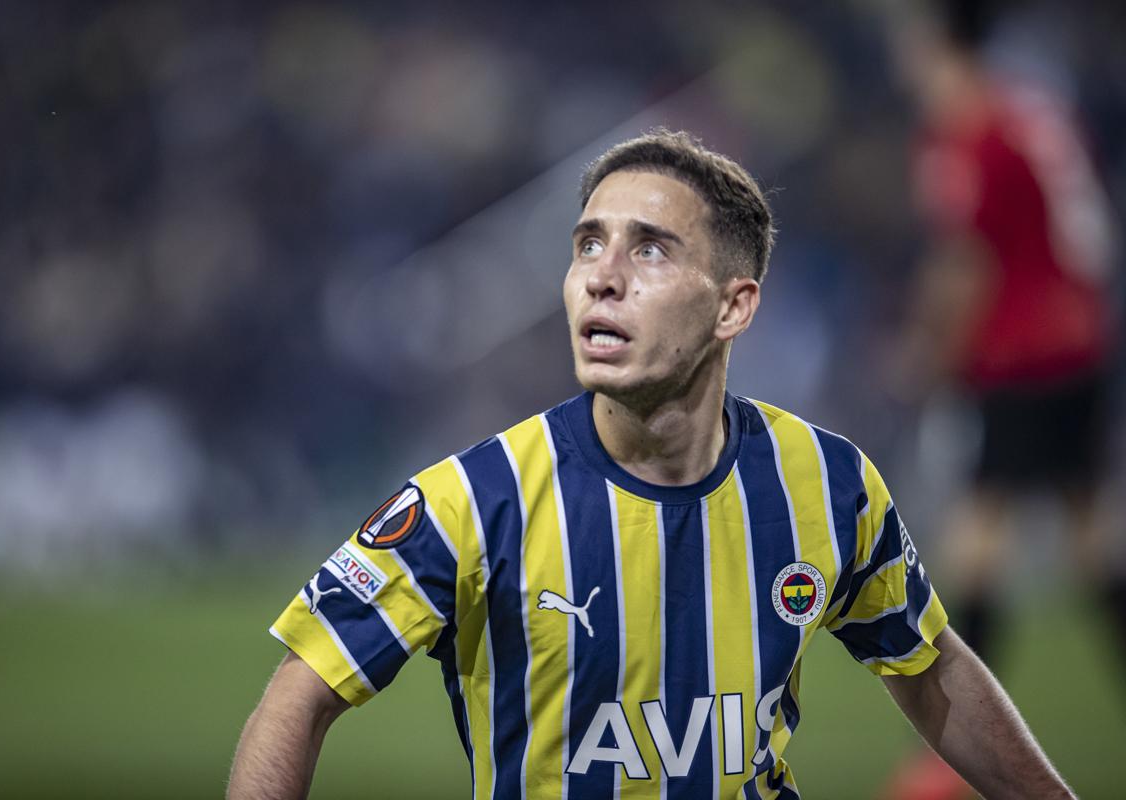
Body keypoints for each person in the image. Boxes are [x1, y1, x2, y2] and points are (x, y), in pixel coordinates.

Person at [228, 130, 1074, 799]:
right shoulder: (476, 499)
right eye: (588, 245)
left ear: (733, 307)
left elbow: (930, 666)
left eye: (651, 250)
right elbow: (299, 695)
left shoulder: (826, 483)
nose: (602, 278)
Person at [884, 3, 1124, 798]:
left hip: (1020, 353)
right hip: (1080, 341)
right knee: (1091, 537)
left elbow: (967, 261)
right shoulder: (1033, 110)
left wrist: (927, 349)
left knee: (976, 538)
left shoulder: (969, 130)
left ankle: (949, 757)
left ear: (937, 42)